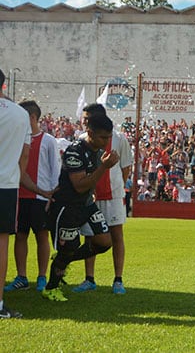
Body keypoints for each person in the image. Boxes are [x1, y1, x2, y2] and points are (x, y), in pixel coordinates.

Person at [42, 113, 119, 302]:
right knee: (69, 248)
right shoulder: (74, 151)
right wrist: (104, 167)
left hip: (85, 204)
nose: (107, 141)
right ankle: (50, 288)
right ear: (90, 132)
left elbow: (88, 182)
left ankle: (62, 260)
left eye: (109, 137)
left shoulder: (97, 150)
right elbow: (79, 185)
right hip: (67, 207)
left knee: (104, 242)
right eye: (103, 137)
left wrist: (92, 189)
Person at [73, 103, 133, 295]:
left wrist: (116, 188)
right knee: (90, 236)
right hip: (90, 196)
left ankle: (118, 279)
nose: (84, 122)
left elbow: (125, 167)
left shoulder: (119, 139)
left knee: (116, 236)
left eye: (87, 119)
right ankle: (89, 278)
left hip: (113, 196)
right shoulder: (82, 140)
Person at [5, 101, 60, 294]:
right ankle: (22, 277)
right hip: (19, 195)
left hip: (41, 198)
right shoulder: (19, 138)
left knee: (41, 236)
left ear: (32, 118)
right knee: (20, 235)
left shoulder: (48, 141)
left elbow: (55, 170)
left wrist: (51, 196)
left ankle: (42, 276)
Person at [0, 69, 39, 318]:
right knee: (2, 243)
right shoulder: (19, 114)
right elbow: (25, 154)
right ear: (4, 85)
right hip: (6, 184)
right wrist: (15, 176)